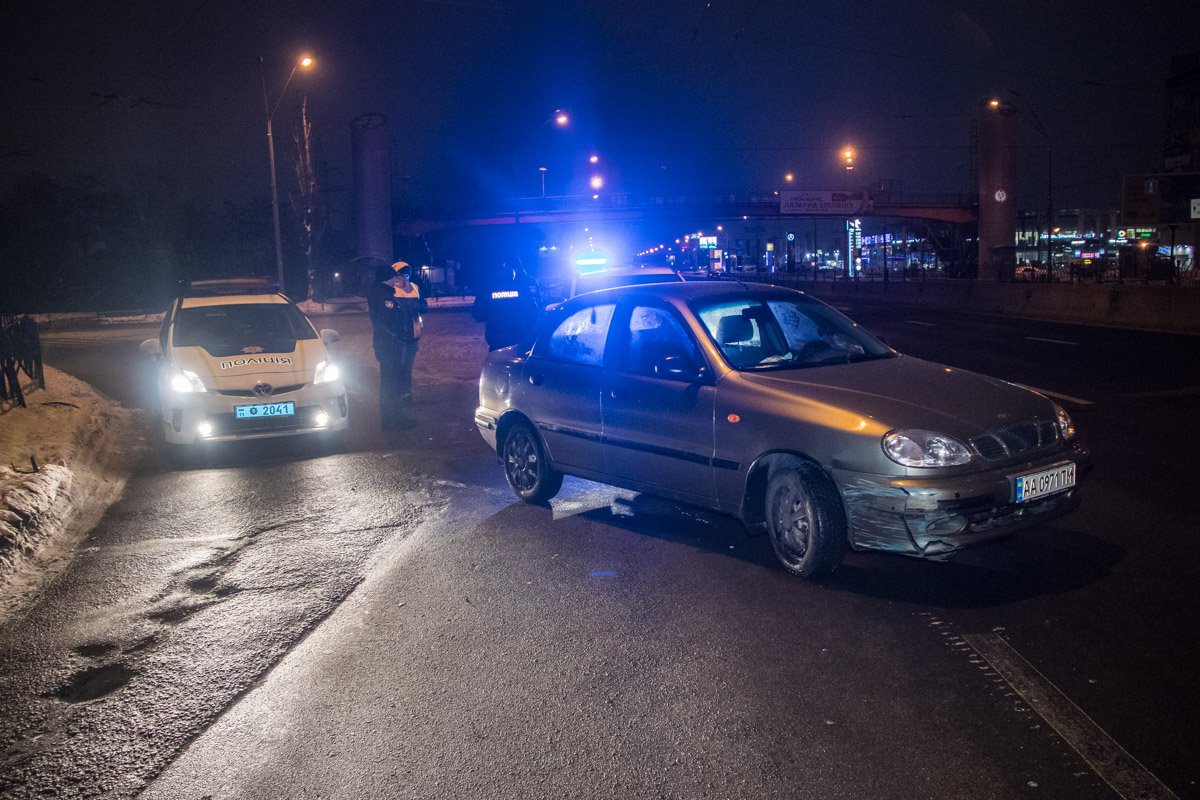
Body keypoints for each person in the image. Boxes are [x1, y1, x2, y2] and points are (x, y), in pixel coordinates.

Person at [367, 260, 425, 429]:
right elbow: (390, 320)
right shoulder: (383, 296)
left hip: (390, 344)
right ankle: (393, 420)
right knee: (390, 384)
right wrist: (399, 334)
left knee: (392, 383)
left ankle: (393, 418)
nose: (396, 280)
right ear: (386, 278)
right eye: (393, 277)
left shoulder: (384, 292)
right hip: (389, 345)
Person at [472, 259, 542, 351]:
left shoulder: (489, 288)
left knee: (497, 364)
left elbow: (478, 315)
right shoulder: (522, 288)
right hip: (520, 339)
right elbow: (535, 311)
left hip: (497, 340)